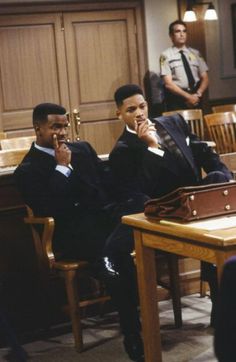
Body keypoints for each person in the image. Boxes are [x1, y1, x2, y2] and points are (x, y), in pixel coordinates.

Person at [14, 103, 145, 362]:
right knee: (122, 267)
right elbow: (49, 207)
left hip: (107, 224)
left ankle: (110, 254)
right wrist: (62, 168)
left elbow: (109, 183)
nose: (62, 133)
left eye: (64, 126)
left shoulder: (82, 149)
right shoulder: (28, 170)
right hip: (74, 234)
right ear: (37, 128)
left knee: (142, 201)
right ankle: (134, 335)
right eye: (55, 127)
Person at [109, 84, 233, 327]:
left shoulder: (173, 122)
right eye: (131, 109)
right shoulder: (123, 151)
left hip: (197, 201)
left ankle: (223, 308)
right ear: (120, 114)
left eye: (142, 106)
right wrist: (152, 148)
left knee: (219, 180)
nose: (139, 114)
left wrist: (221, 171)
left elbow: (202, 152)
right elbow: (142, 190)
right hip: (166, 212)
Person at [159, 19, 209, 111]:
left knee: (197, 125)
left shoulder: (195, 53)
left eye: (184, 31)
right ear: (171, 35)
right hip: (177, 99)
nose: (182, 34)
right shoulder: (165, 56)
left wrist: (197, 94)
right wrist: (188, 97)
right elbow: (168, 84)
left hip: (196, 97)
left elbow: (205, 78)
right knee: (179, 125)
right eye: (178, 31)